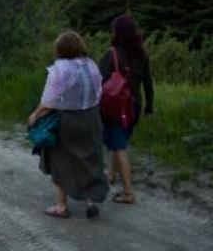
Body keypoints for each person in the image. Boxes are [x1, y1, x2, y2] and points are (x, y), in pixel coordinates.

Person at [28, 31, 109, 219]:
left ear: (60, 49)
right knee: (90, 158)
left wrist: (35, 115)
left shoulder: (60, 69)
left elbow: (49, 102)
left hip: (68, 121)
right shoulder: (91, 65)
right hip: (91, 117)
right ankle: (91, 200)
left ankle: (61, 206)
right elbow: (98, 92)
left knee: (59, 160)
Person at [99, 15, 154, 205]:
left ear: (118, 33)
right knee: (119, 142)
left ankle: (128, 192)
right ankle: (111, 175)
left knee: (119, 146)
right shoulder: (142, 54)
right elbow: (148, 83)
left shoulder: (111, 54)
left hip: (115, 107)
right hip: (134, 107)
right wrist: (149, 106)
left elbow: (98, 82)